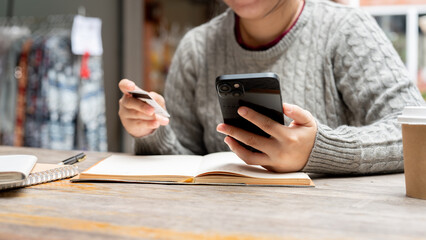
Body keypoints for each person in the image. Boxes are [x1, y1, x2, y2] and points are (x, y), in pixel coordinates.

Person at [118, 0, 425, 174]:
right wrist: (151, 129)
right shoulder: (196, 47)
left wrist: (320, 149)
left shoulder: (346, 29)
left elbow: (416, 136)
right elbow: (186, 162)